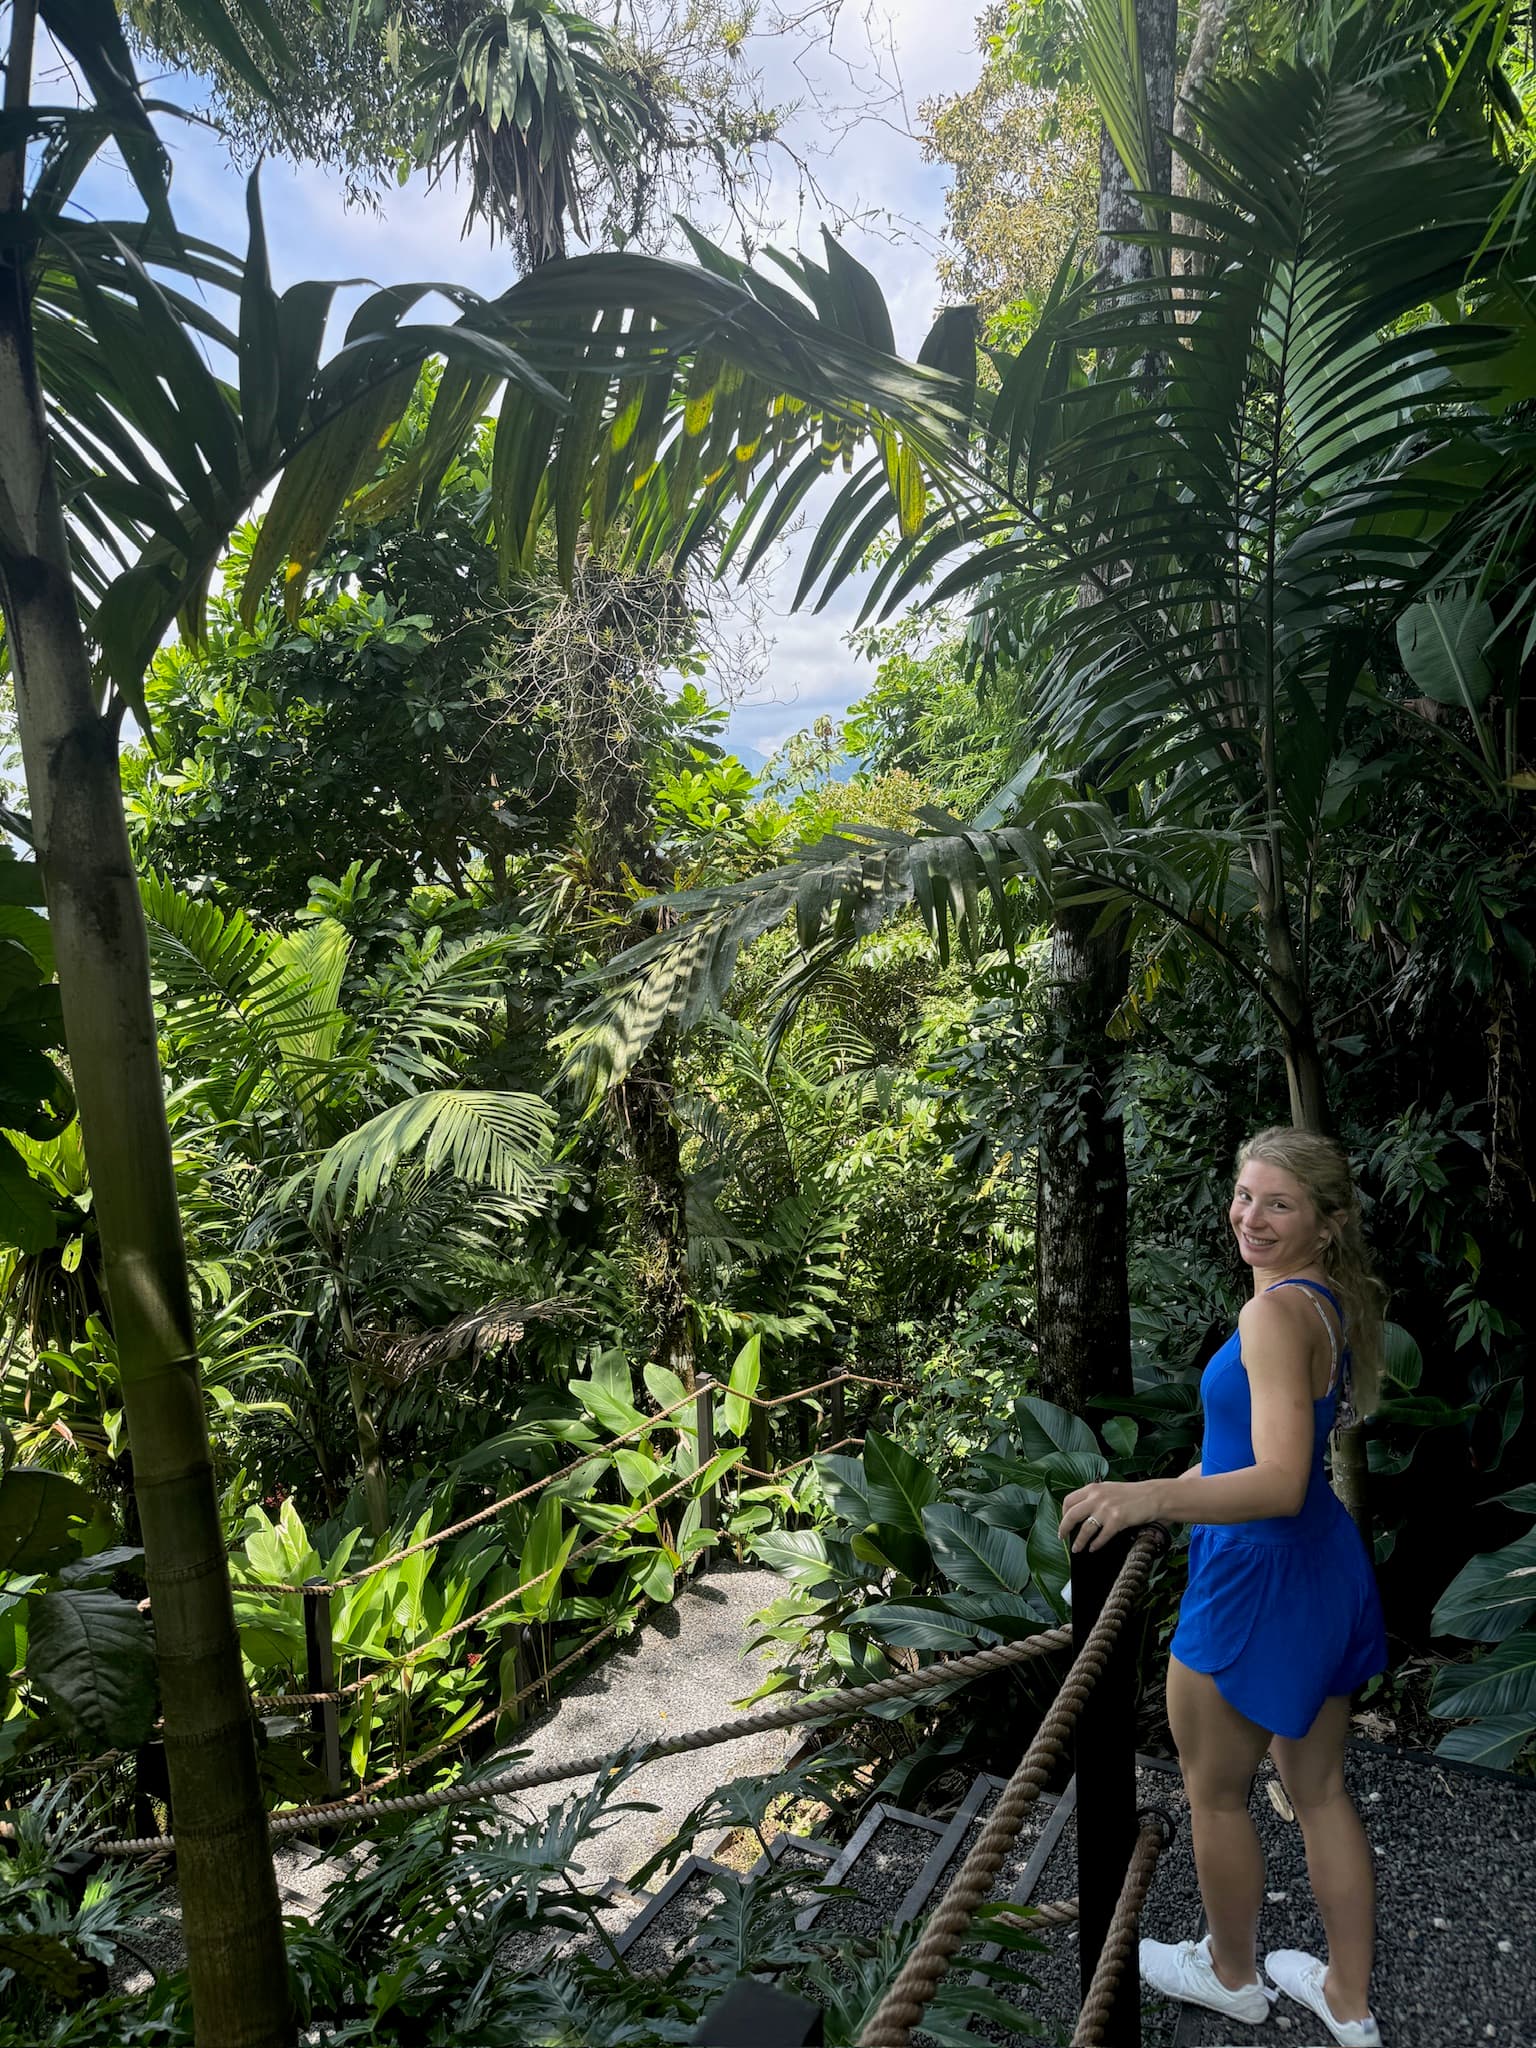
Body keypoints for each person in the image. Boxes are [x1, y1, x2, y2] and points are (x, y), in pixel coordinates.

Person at [1058, 1126, 1389, 2048]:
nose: (1250, 1216)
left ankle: (1233, 1975)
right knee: (1319, 1790)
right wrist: (1201, 1474)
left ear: (1324, 1223)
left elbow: (1279, 1479)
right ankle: (1348, 2002)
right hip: (1324, 1566)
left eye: (1278, 1203)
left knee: (1214, 1793)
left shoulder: (1271, 1315)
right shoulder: (1324, 1303)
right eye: (1244, 1195)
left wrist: (1150, 1496)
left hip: (1258, 1577)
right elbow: (1269, 1445)